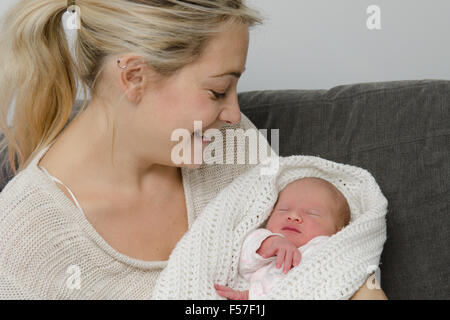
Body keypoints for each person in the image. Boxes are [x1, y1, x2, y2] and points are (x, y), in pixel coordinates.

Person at [0, 0, 386, 299]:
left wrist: (361, 285)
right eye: (218, 91)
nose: (234, 114)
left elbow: (337, 242)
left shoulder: (226, 147)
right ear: (134, 77)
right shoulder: (24, 240)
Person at [214, 177, 352, 300]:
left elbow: (305, 284)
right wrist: (267, 245)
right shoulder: (264, 237)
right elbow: (243, 266)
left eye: (312, 213)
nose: (293, 215)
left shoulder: (326, 249)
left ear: (338, 231)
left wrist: (250, 295)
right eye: (283, 209)